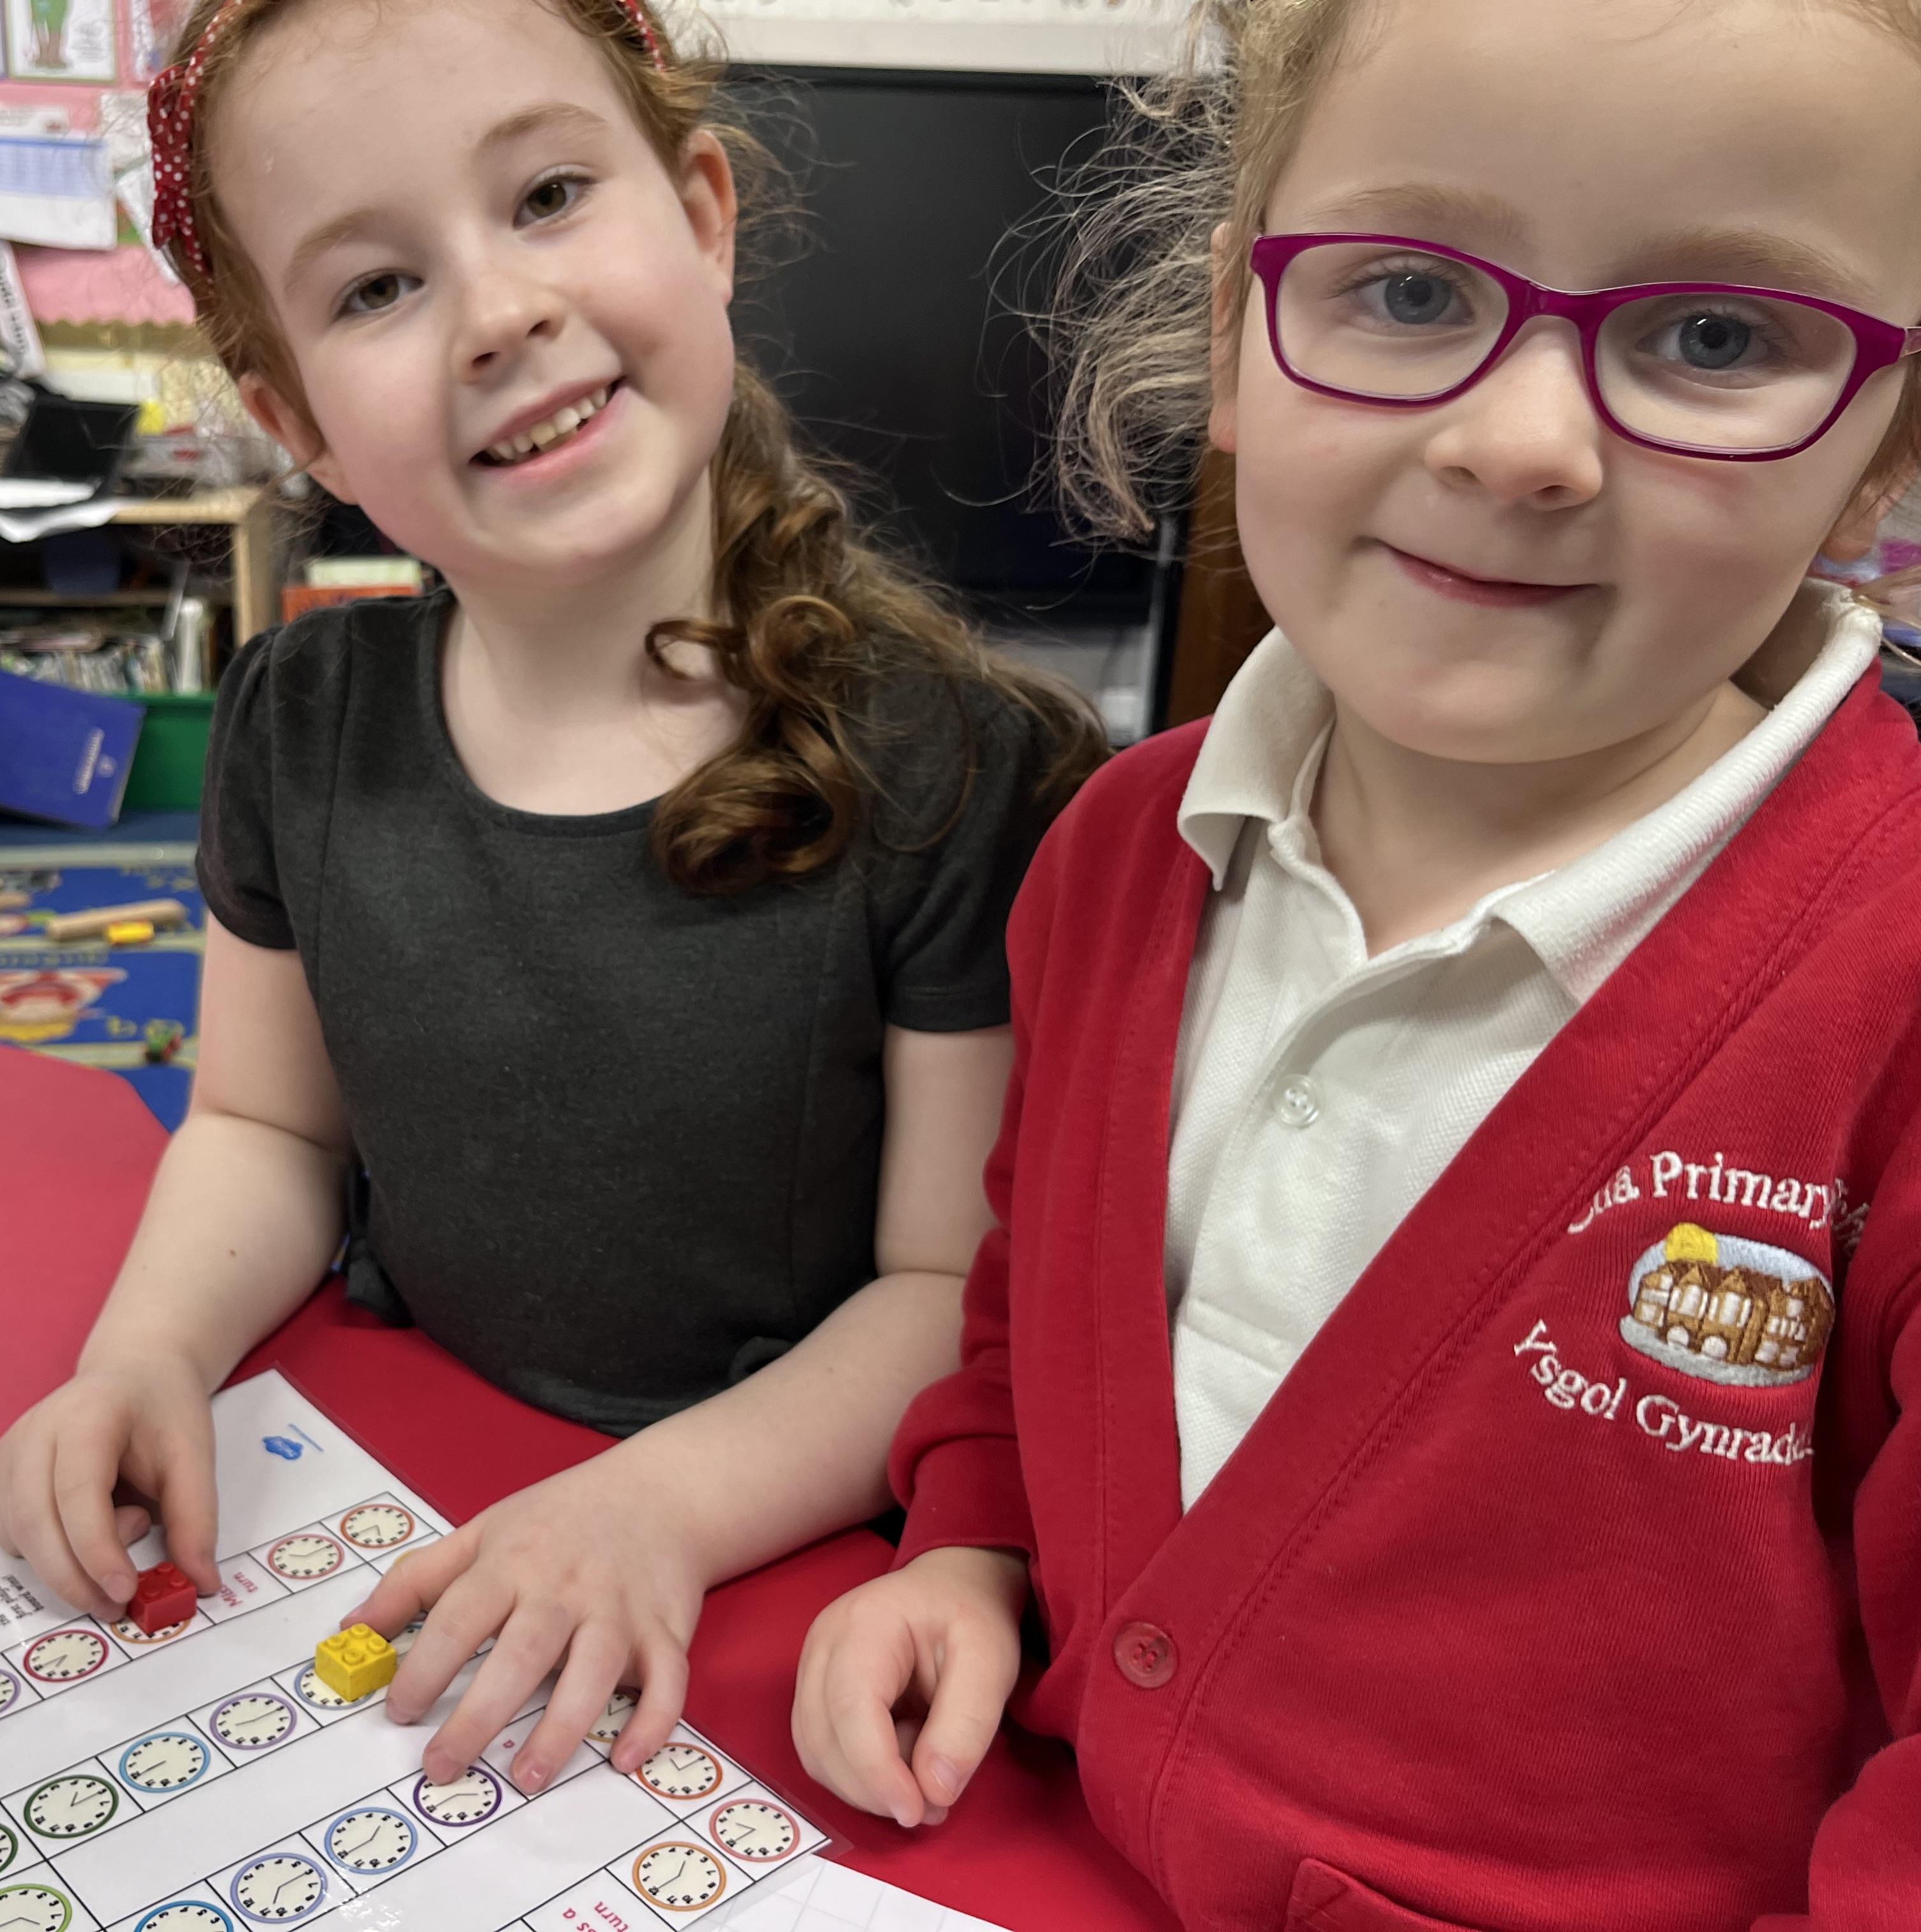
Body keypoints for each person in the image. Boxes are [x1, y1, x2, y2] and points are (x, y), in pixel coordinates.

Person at [792, 1, 1921, 1924]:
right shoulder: (1118, 851)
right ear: (1238, 324)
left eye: (1719, 337)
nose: (1523, 444)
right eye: (1407, 290)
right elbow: (1027, 1303)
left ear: (1881, 455)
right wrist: (976, 1544)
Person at [0, 0, 1106, 1801]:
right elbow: (267, 1129)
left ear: (706, 215)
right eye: (376, 287)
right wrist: (147, 1353)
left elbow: (941, 1292)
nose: (498, 312)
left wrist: (656, 1507)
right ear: (295, 423)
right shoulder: (300, 718)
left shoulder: (957, 766)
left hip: (772, 1554)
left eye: (550, 196)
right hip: (398, 1473)